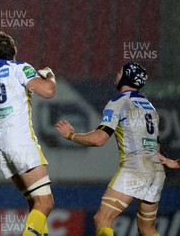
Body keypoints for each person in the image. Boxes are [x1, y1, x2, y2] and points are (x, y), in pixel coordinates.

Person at [55, 62, 164, 236]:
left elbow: (99, 139)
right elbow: (156, 145)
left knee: (103, 219)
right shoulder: (150, 107)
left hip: (135, 168)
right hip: (156, 170)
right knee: (147, 229)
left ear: (127, 76)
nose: (117, 74)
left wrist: (71, 136)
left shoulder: (119, 102)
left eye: (120, 72)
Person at [0, 32, 56, 236]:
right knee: (46, 203)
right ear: (15, 50)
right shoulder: (20, 68)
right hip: (20, 142)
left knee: (35, 201)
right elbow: (48, 91)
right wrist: (49, 75)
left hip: (1, 145)